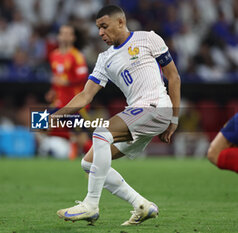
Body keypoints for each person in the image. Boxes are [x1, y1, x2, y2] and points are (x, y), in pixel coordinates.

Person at [53, 5, 181, 226]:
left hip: (156, 106)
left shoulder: (148, 38)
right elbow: (85, 95)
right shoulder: (104, 59)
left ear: (120, 22)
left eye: (104, 26)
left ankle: (90, 205)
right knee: (88, 163)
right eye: (98, 28)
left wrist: (174, 119)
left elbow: (173, 77)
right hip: (139, 114)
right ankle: (142, 205)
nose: (100, 33)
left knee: (101, 133)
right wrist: (58, 114)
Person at [42, 24, 90, 159]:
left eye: (68, 33)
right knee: (41, 126)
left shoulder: (77, 56)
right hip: (58, 102)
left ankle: (98, 159)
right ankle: (68, 147)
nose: (65, 36)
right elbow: (56, 79)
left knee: (82, 138)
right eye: (62, 33)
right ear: (58, 36)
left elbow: (83, 77)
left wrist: (67, 82)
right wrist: (52, 91)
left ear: (73, 37)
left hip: (75, 104)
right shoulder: (53, 55)